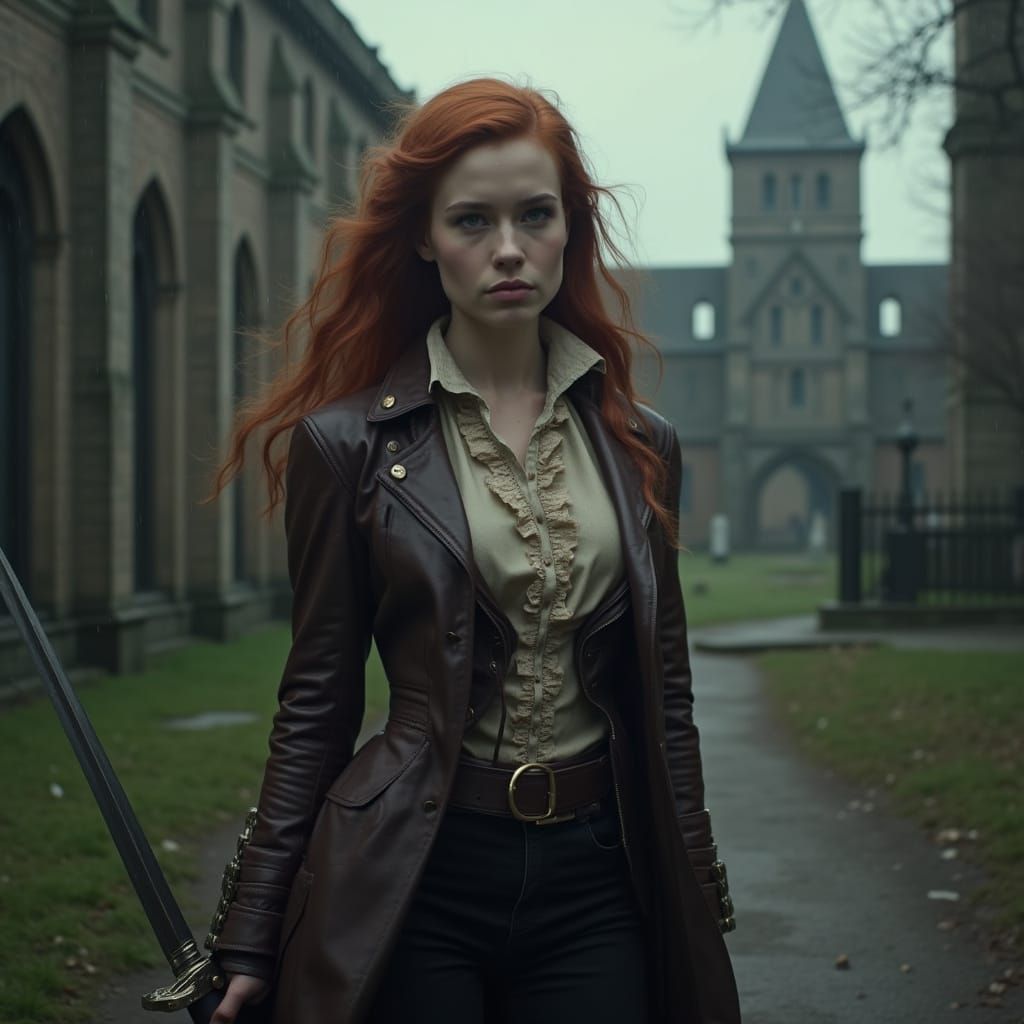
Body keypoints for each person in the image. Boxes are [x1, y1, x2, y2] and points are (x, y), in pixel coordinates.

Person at [204, 76, 740, 1024]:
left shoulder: (640, 443)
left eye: (535, 215)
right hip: (416, 873)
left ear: (568, 226)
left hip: (595, 878)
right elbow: (318, 702)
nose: (506, 249)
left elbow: (667, 698)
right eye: (470, 221)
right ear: (423, 237)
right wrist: (250, 930)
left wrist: (694, 892)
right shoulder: (350, 447)